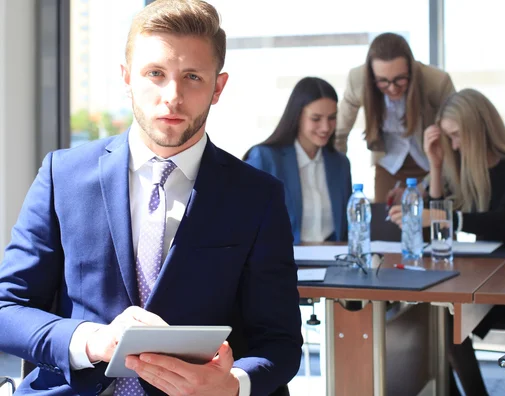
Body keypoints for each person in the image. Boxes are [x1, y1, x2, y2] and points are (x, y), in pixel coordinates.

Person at [0, 1, 302, 395]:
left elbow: (280, 342)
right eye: (155, 73)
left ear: (218, 87)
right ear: (126, 78)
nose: (172, 96)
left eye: (192, 76)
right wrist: (93, 341)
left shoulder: (258, 196)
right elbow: (7, 309)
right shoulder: (64, 175)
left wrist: (231, 385)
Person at [390, 88, 505, 395]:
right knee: (436, 315)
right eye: (449, 138)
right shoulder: (464, 167)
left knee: (444, 320)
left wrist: (443, 218)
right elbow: (439, 228)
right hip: (484, 282)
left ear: (479, 128)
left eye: (458, 135)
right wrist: (435, 166)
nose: (455, 145)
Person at [335, 32, 455, 203]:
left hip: (434, 165)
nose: (392, 88)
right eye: (383, 81)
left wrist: (423, 187)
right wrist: (337, 180)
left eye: (400, 79)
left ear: (411, 71)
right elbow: (338, 134)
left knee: (432, 222)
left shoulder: (437, 82)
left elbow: (456, 140)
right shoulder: (358, 80)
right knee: (386, 225)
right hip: (388, 165)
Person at [244, 77, 352, 245]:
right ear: (297, 116)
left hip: (333, 262)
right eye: (316, 119)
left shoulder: (340, 164)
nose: (326, 127)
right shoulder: (265, 159)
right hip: (280, 265)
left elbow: (346, 229)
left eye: (332, 118)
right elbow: (243, 223)